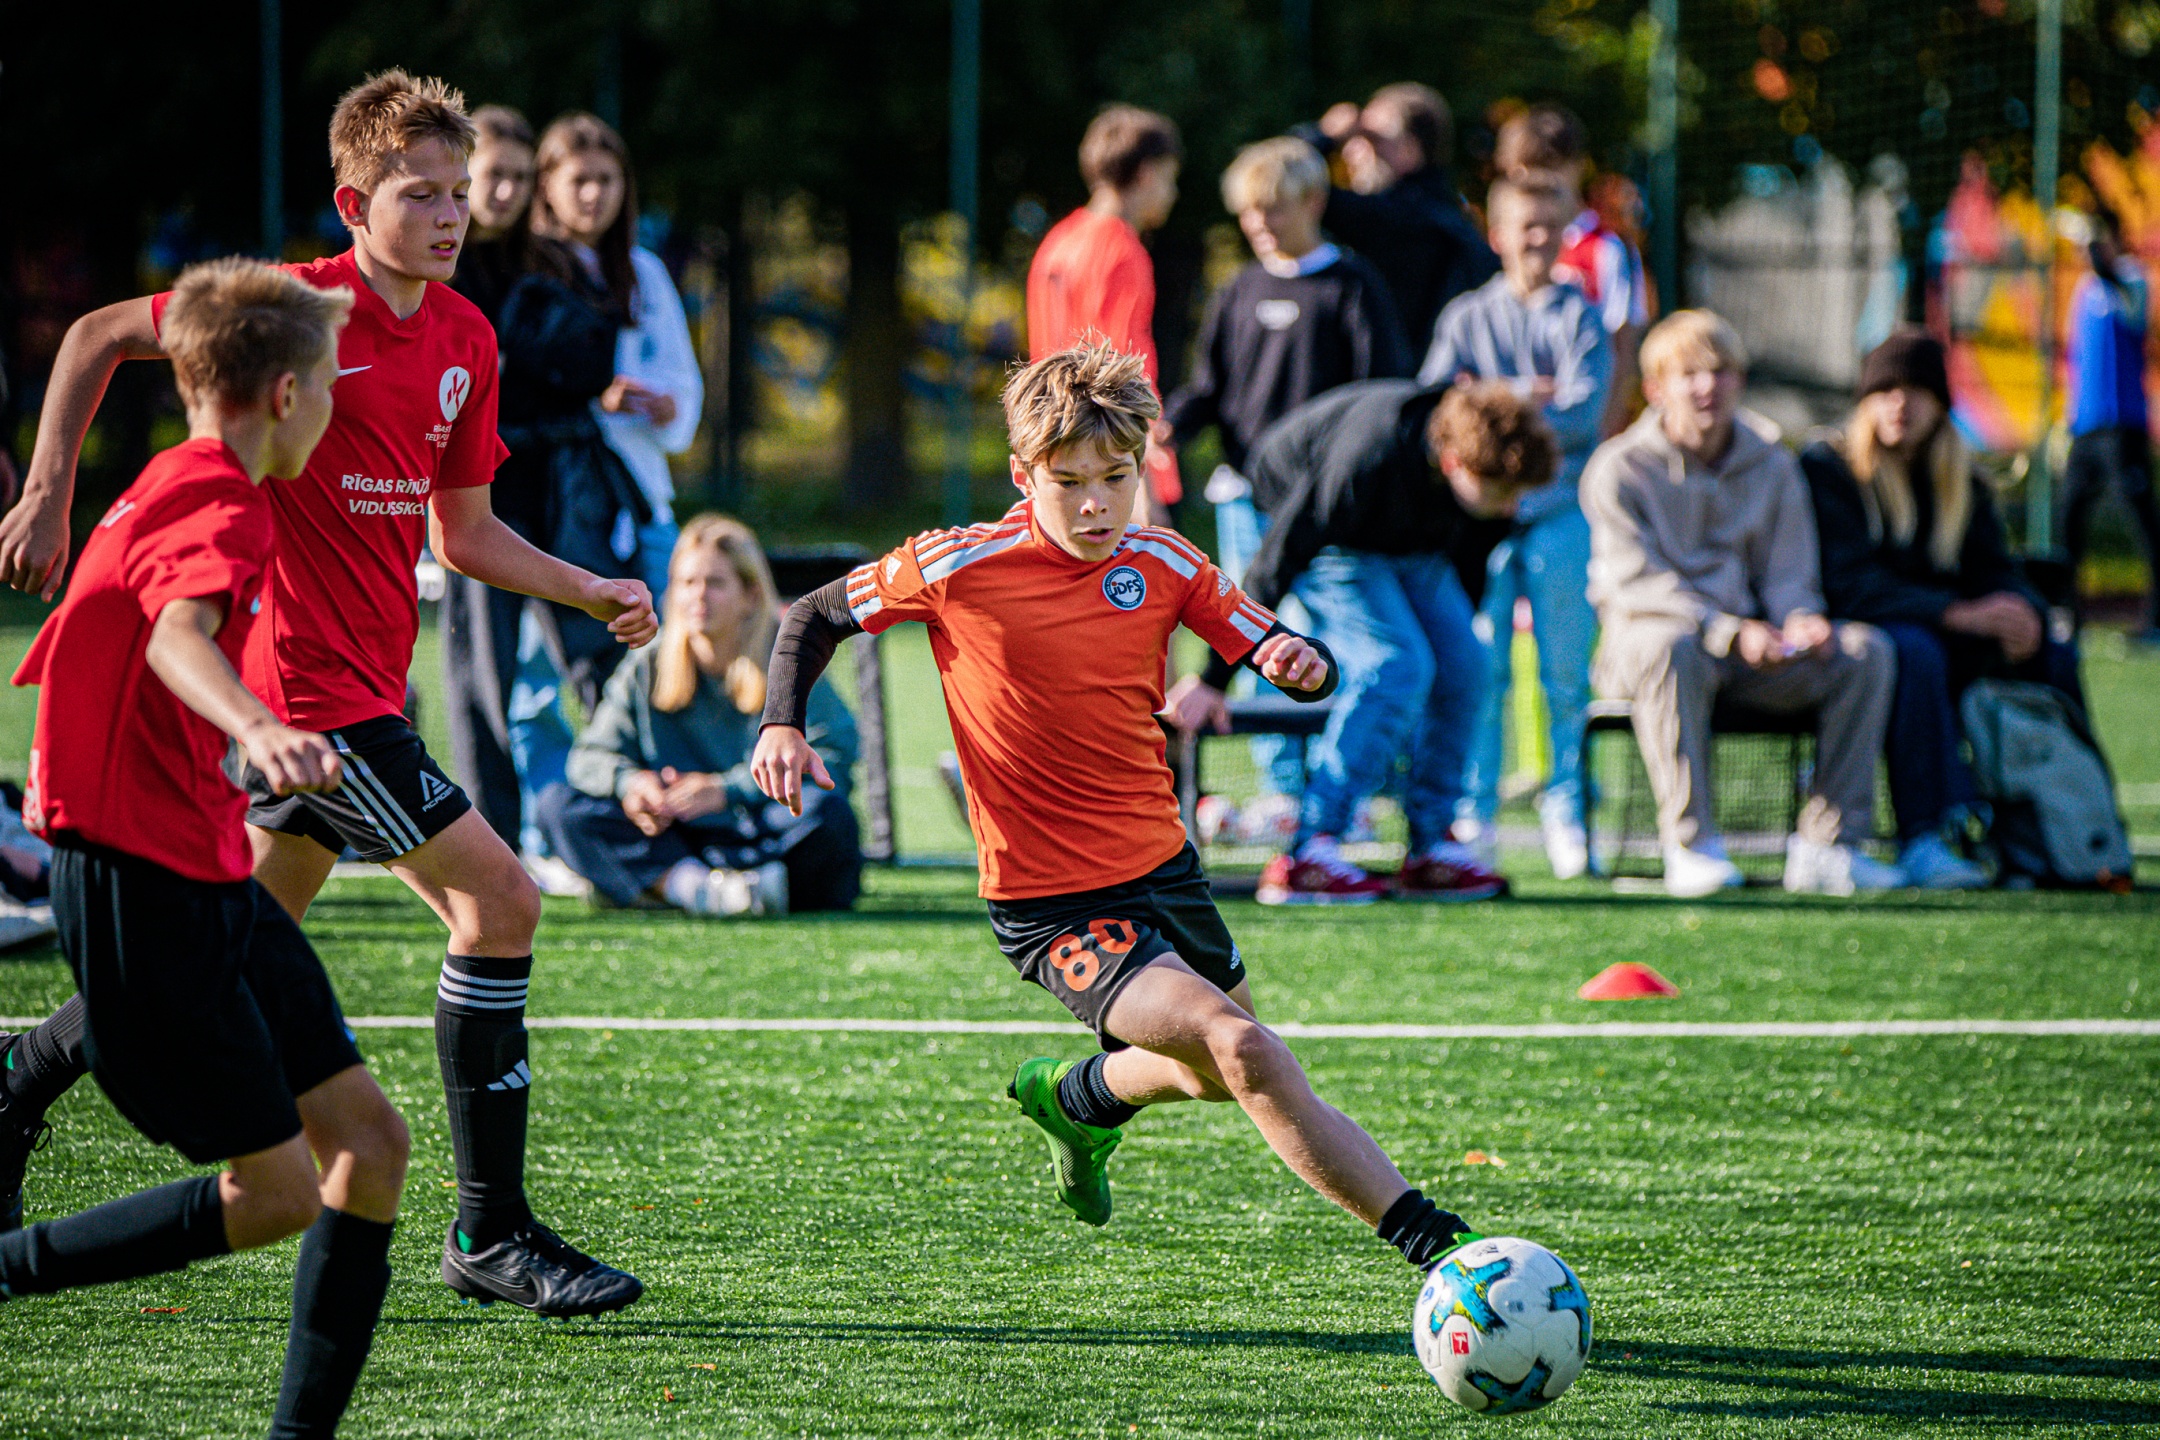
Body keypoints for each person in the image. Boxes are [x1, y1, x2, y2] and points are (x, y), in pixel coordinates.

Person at [0, 70, 656, 1316]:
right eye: (422, 195)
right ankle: (492, 1231)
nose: (451, 217)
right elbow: (94, 336)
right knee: (503, 900)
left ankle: (18, 1079)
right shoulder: (289, 313)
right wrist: (46, 491)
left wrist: (584, 587)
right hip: (303, 700)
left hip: (364, 692)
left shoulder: (466, 338)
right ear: (354, 203)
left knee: (232, 941)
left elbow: (462, 534)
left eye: (461, 195)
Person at [749, 341, 1487, 1281]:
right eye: (1069, 483)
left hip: (1164, 869)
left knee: (1208, 1076)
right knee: (1242, 1047)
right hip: (1051, 903)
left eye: (1117, 477)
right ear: (1023, 476)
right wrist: (782, 724)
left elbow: (1269, 641)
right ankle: (1439, 1246)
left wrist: (1302, 664)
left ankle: (1081, 1098)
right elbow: (812, 615)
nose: (1096, 504)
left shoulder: (1164, 559)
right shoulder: (956, 563)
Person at [3, 257, 408, 1434]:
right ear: (284, 396)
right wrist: (259, 728)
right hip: (143, 884)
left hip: (206, 868)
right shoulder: (218, 499)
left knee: (370, 1147)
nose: (334, 408)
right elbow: (178, 636)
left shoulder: (172, 478)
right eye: (329, 386)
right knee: (277, 1191)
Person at [1199, 380, 1556, 904]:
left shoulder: (1487, 491)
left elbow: (1469, 574)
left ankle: (1431, 846)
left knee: (1468, 664)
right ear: (1454, 464)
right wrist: (1214, 678)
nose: (1511, 507)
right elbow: (1276, 559)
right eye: (1502, 493)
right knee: (1397, 665)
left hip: (1410, 548)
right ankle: (1310, 849)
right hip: (1325, 536)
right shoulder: (1366, 457)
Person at [1584, 310, 1901, 898]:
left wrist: (1801, 620)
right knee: (1671, 645)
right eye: (1690, 373)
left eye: (1722, 370)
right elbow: (1639, 586)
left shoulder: (1774, 463)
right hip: (1651, 648)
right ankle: (1691, 845)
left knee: (1865, 653)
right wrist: (1728, 630)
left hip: (1751, 653)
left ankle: (1830, 847)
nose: (1708, 385)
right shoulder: (1618, 469)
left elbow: (1789, 572)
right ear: (1655, 388)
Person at [1164, 135, 1411, 818]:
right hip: (1245, 502)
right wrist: (1169, 425)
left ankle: (1347, 791)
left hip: (1325, 510)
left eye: (1272, 208)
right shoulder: (1239, 288)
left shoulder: (1353, 286)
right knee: (1256, 642)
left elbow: (1377, 397)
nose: (1260, 224)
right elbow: (1209, 387)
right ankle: (1282, 793)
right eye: (1248, 213)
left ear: (1313, 202)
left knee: (1337, 650)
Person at [1802, 330, 2081, 887]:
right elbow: (1849, 584)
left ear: (1939, 404)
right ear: (1864, 401)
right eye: (1885, 391)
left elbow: (1992, 567)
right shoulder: (1831, 467)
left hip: (1945, 625)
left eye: (1916, 391)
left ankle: (2065, 826)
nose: (1900, 403)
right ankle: (1925, 836)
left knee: (2053, 649)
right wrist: (1956, 613)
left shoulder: (1960, 476)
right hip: (1864, 635)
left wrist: (2023, 612)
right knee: (1916, 651)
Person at [1420, 174, 1611, 879]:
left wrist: (1489, 403)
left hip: (1561, 515)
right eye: (1523, 227)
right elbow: (1439, 405)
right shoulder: (1466, 315)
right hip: (1483, 526)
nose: (1537, 240)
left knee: (1565, 671)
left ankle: (1568, 807)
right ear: (1496, 235)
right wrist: (1528, 396)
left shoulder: (1583, 317)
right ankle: (1477, 811)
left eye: (1549, 227)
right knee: (1481, 668)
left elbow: (1583, 413)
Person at [498, 112, 673, 880]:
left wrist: (659, 405)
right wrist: (588, 401)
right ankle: (544, 835)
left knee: (627, 668)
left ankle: (621, 821)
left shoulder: (639, 272)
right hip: (537, 506)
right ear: (548, 187)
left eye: (608, 180)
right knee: (535, 678)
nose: (595, 195)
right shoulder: (518, 271)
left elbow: (683, 393)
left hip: (624, 507)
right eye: (580, 180)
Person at [539, 515, 861, 915]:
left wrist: (725, 790)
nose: (699, 596)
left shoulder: (788, 657)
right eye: (687, 583)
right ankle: (699, 888)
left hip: (758, 826)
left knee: (829, 817)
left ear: (751, 595)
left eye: (716, 583)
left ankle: (661, 887)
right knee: (558, 806)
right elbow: (589, 756)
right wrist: (631, 784)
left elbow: (834, 754)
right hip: (675, 834)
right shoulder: (648, 663)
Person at [441, 103, 541, 848]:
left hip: (557, 488)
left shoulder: (548, 260)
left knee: (600, 657)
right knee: (480, 674)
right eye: (490, 176)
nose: (503, 192)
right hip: (471, 497)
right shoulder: (438, 266)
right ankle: (494, 837)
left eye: (520, 178)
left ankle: (599, 822)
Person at [1027, 105, 1185, 521]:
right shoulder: (1122, 249)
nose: (1173, 193)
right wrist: (1142, 477)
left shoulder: (1057, 241)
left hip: (1054, 447)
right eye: (1170, 178)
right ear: (1147, 174)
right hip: (1107, 456)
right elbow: (1124, 368)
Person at [1493, 105, 1652, 439]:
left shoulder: (1606, 247)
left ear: (1576, 168)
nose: (1536, 182)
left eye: (1549, 168)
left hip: (1582, 436)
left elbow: (1622, 351)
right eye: (1522, 171)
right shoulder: (1507, 241)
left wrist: (1599, 439)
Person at [1303, 83, 1498, 353]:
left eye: (1372, 139)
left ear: (1409, 148)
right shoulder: (1446, 212)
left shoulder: (1397, 218)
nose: (1351, 151)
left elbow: (1284, 183)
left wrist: (1324, 135)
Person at [2062, 205, 2159, 640]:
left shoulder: (2133, 279)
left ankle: (2154, 619)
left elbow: (2118, 289)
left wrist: (2092, 245)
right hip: (2086, 427)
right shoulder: (2083, 290)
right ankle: (2069, 615)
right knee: (2069, 520)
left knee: (2141, 523)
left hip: (2124, 427)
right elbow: (2079, 360)